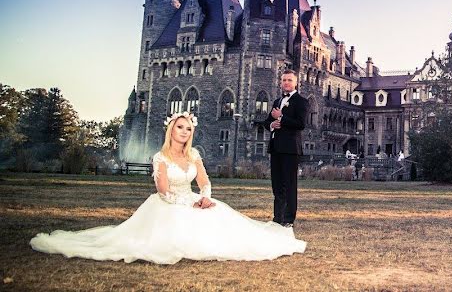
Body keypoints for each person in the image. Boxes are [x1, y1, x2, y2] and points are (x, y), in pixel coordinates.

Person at [29, 114, 306, 264]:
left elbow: (204, 181)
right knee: (175, 228)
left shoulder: (194, 154)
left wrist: (206, 198)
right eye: (180, 127)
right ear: (171, 130)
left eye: (188, 129)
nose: (184, 132)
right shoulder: (160, 158)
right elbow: (163, 191)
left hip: (193, 199)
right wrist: (186, 204)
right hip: (168, 205)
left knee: (221, 220)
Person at [263, 70, 308, 228]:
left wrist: (282, 116)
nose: (286, 82)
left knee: (289, 184)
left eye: (289, 80)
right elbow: (267, 122)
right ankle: (278, 217)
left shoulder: (301, 101)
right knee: (277, 184)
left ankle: (288, 219)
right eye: (284, 80)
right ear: (280, 82)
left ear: (295, 82)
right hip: (275, 148)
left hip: (290, 149)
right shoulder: (277, 101)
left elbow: (301, 124)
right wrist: (271, 125)